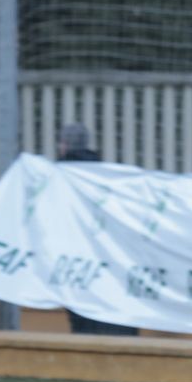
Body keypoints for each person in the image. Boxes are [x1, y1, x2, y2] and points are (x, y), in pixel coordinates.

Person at [55, 122, 137, 336]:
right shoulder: (102, 173)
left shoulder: (57, 175)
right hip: (103, 252)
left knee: (81, 311)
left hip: (73, 256)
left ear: (63, 145)